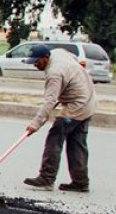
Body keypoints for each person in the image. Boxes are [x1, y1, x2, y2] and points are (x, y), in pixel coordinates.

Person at [21, 43, 98, 192]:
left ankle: (46, 178)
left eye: (37, 61)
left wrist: (35, 125)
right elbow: (75, 58)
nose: (35, 65)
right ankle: (80, 182)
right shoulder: (59, 52)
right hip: (89, 102)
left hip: (77, 106)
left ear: (46, 57)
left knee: (55, 136)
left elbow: (50, 101)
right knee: (77, 143)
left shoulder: (54, 73)